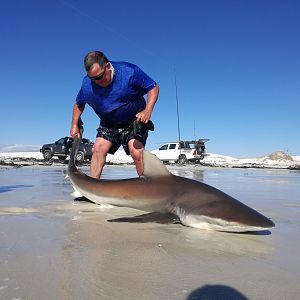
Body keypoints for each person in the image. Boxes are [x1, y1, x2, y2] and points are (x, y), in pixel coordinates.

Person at [70, 51, 159, 178]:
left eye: (99, 77)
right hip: (109, 122)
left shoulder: (129, 72)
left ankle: (146, 186)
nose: (96, 82)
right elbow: (79, 103)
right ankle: (92, 187)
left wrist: (148, 110)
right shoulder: (87, 84)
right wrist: (74, 124)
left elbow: (153, 87)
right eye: (92, 78)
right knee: (98, 149)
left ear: (107, 66)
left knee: (137, 151)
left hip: (134, 120)